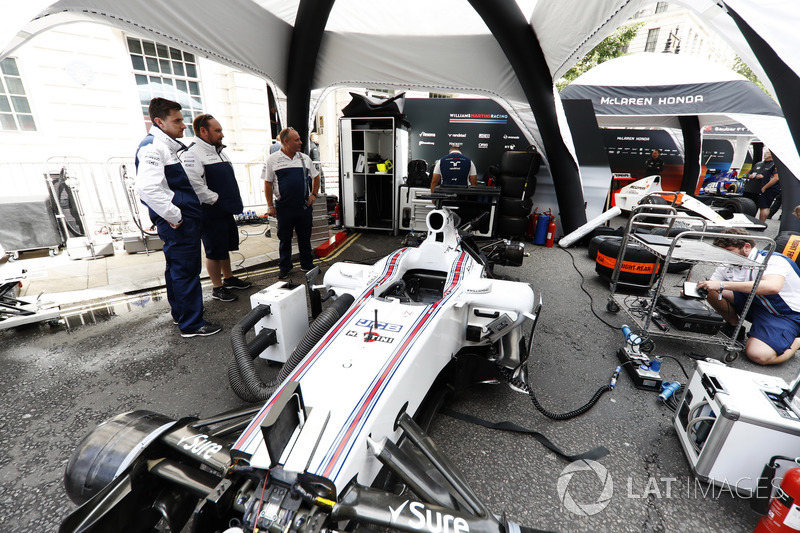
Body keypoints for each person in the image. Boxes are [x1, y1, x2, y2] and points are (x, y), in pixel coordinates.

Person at [134, 97, 221, 337]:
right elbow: (147, 188)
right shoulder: (154, 146)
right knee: (186, 271)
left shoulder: (164, 145)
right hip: (177, 223)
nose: (184, 125)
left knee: (176, 270)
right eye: (178, 120)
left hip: (178, 221)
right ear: (160, 122)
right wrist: (176, 215)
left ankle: (180, 315)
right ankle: (192, 324)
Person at [696, 228, 800, 365]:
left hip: (785, 314)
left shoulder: (773, 260)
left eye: (729, 251)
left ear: (746, 247)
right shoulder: (730, 262)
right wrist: (695, 291)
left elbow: (772, 287)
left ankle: (797, 341)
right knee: (710, 289)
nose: (726, 257)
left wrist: (723, 284)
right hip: (757, 304)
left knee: (758, 355)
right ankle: (733, 326)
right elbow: (711, 285)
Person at [182, 114, 252, 303]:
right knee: (213, 250)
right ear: (203, 131)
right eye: (218, 130)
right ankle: (217, 287)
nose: (222, 135)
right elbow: (195, 185)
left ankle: (228, 279)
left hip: (224, 210)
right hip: (210, 211)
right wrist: (217, 199)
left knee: (224, 247)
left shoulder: (218, 151)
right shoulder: (192, 153)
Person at [262, 127, 320, 279]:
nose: (301, 142)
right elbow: (267, 183)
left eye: (300, 139)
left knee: (305, 237)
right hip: (284, 207)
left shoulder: (304, 158)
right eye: (297, 140)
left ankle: (306, 264)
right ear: (286, 141)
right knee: (285, 238)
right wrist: (270, 206)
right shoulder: (272, 159)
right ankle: (285, 266)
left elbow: (316, 176)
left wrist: (314, 194)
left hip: (303, 206)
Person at [749, 150, 780, 222]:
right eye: (765, 152)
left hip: (769, 189)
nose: (766, 153)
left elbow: (776, 178)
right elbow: (750, 172)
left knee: (764, 206)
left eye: (768, 152)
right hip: (756, 189)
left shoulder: (775, 164)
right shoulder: (759, 163)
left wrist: (764, 187)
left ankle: (761, 223)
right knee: (756, 205)